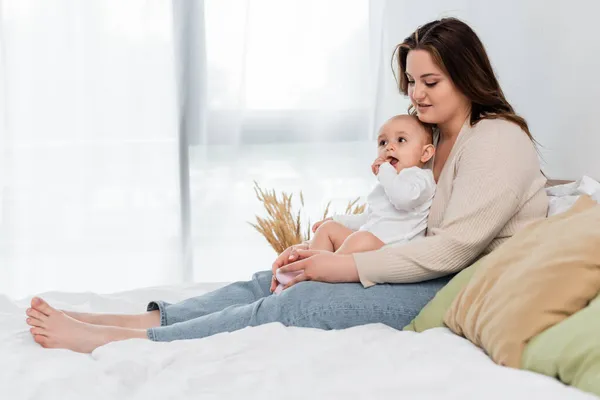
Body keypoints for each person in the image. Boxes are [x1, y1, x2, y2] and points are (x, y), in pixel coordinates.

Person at [25, 17, 548, 353]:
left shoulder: (497, 140)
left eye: (430, 82)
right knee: (275, 279)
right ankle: (121, 321)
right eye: (411, 82)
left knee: (297, 303)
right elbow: (403, 219)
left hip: (455, 286)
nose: (417, 94)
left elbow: (452, 249)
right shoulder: (432, 139)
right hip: (422, 267)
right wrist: (326, 238)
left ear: (466, 75)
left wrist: (343, 266)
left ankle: (124, 342)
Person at [274, 114, 436, 294]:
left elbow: (403, 199)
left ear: (425, 153)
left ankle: (322, 271)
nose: (389, 147)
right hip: (369, 245)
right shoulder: (388, 184)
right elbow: (369, 217)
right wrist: (337, 219)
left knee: (362, 238)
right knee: (329, 229)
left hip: (394, 252)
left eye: (401, 140)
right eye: (383, 143)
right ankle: (307, 269)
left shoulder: (420, 178)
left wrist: (385, 171)